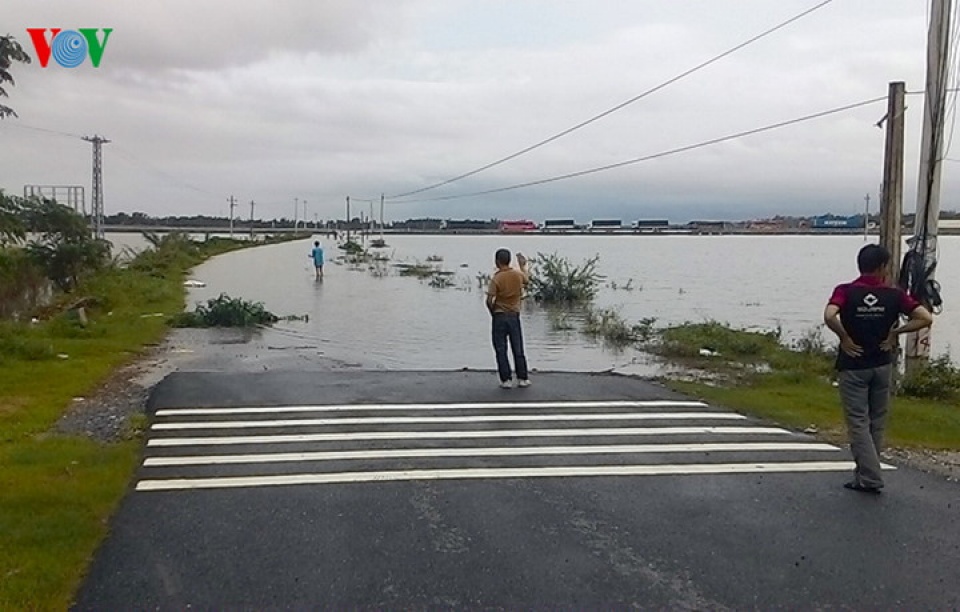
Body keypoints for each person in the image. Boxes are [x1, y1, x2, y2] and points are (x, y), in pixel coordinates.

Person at [823, 244, 932, 494]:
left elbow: (829, 315)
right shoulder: (894, 295)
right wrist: (896, 332)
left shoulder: (845, 291)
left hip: (853, 365)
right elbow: (925, 317)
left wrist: (844, 337)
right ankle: (865, 474)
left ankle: (869, 476)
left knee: (858, 422)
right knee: (877, 421)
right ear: (883, 267)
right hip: (882, 363)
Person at [486, 248, 530, 389]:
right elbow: (527, 280)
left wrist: (493, 311)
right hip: (514, 315)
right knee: (518, 347)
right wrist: (523, 265)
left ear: (497, 261)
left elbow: (489, 300)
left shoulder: (497, 278)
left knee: (501, 348)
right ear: (509, 260)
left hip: (499, 315)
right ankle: (522, 378)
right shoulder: (517, 275)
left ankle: (506, 380)